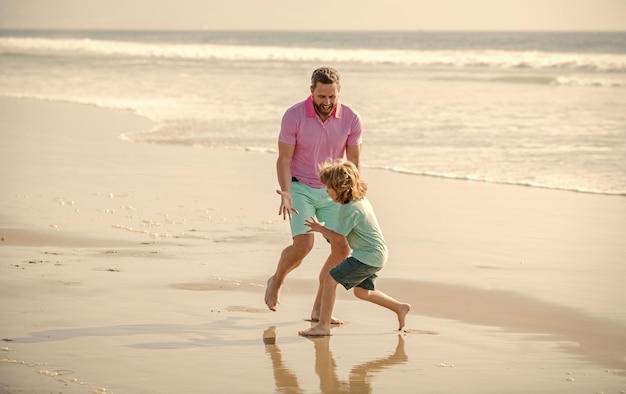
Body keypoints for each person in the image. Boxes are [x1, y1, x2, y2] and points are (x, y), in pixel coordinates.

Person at [265, 67, 363, 322]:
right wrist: (286, 192)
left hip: (333, 190)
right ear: (312, 92)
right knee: (304, 245)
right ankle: (276, 280)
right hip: (300, 187)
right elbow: (284, 159)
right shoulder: (293, 116)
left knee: (342, 249)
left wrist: (352, 196)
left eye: (332, 96)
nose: (327, 102)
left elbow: (353, 161)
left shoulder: (351, 118)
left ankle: (319, 309)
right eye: (322, 96)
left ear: (338, 92)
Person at [298, 159, 411, 336]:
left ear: (339, 187)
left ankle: (323, 326)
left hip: (366, 256)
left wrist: (320, 229)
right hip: (377, 254)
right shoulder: (360, 200)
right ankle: (399, 307)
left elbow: (337, 238)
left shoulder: (349, 209)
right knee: (362, 292)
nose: (326, 191)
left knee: (330, 280)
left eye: (328, 187)